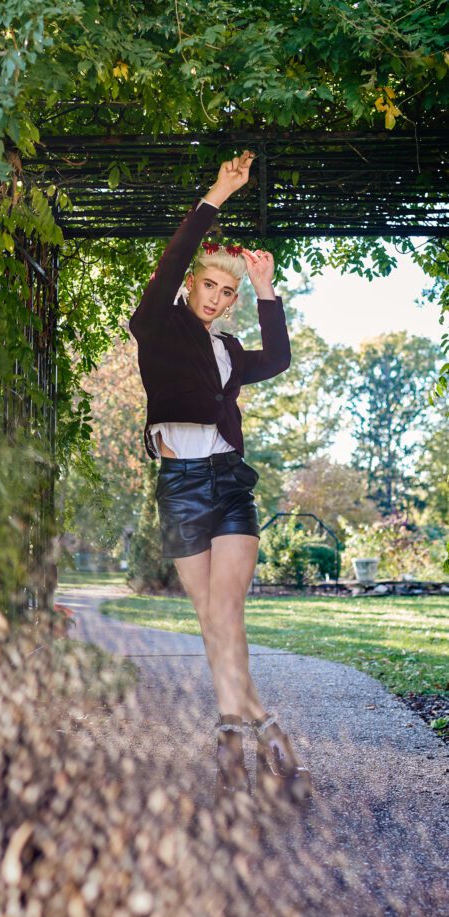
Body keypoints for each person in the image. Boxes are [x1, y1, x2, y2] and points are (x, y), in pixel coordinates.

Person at [129, 150, 312, 804]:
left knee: (225, 607)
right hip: (178, 485)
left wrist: (264, 288)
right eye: (211, 286)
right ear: (188, 287)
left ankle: (236, 725)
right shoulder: (154, 327)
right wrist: (217, 194)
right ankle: (250, 720)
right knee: (210, 613)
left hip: (227, 480)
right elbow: (174, 256)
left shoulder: (229, 351)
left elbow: (281, 357)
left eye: (226, 292)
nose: (217, 298)